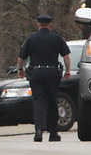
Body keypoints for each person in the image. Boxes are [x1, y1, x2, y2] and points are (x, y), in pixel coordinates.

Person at [17, 14, 71, 142]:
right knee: (53, 101)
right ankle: (53, 132)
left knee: (38, 101)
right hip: (52, 72)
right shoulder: (57, 38)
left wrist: (20, 69)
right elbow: (66, 56)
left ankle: (39, 131)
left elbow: (21, 57)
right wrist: (67, 71)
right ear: (50, 24)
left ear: (38, 24)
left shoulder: (31, 38)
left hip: (36, 72)